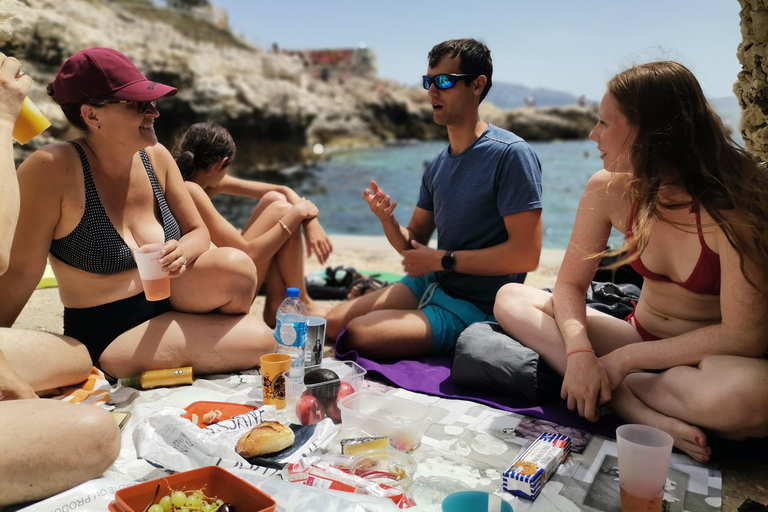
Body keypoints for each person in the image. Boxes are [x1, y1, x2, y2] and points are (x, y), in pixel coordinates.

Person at [494, 61, 768, 463]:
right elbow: (569, 286)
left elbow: (745, 336)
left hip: (710, 363)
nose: (593, 134)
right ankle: (630, 404)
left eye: (606, 123)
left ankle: (621, 388)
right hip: (639, 335)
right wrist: (580, 354)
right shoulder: (609, 189)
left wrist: (623, 362)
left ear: (654, 132)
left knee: (753, 398)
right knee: (512, 297)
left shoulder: (735, 202)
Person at [0, 47, 275, 380]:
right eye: (138, 104)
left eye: (153, 102)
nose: (154, 113)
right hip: (109, 330)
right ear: (92, 115)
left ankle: (201, 336)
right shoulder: (53, 168)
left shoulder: (156, 157)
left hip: (170, 301)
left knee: (238, 268)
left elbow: (197, 232)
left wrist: (184, 251)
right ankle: (132, 360)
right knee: (261, 340)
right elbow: (20, 273)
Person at [325, 38, 543, 359]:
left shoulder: (511, 155)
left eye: (444, 81)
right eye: (428, 81)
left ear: (477, 85)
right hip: (432, 281)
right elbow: (413, 243)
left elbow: (526, 255)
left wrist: (444, 259)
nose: (432, 91)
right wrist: (388, 222)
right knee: (332, 323)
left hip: (477, 307)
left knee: (358, 333)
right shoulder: (438, 165)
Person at [0, 52, 120, 506]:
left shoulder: (155, 159)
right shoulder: (53, 164)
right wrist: (2, 118)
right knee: (95, 433)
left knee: (73, 358)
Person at [173, 121, 333, 323]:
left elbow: (281, 190)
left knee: (275, 200)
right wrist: (297, 214)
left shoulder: (200, 181)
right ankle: (302, 301)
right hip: (201, 293)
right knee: (283, 211)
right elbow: (248, 253)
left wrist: (311, 223)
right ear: (220, 164)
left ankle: (278, 301)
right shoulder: (190, 190)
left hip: (203, 281)